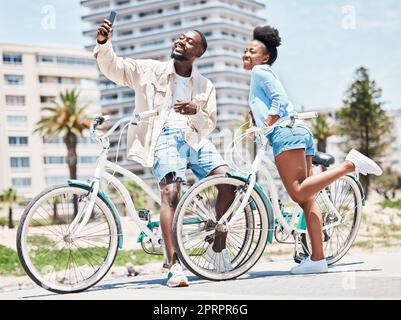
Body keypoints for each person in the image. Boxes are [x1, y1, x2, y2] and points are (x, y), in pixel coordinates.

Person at [94, 19, 233, 287]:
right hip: (164, 137)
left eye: (189, 41)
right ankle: (174, 265)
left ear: (198, 53)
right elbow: (115, 67)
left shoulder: (206, 85)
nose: (181, 41)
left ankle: (217, 250)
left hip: (194, 137)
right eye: (180, 37)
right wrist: (103, 43)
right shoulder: (149, 70)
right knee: (170, 194)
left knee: (228, 182)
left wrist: (196, 111)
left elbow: (209, 124)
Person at [242, 25, 383, 275]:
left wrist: (265, 125)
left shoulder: (259, 72)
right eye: (245, 50)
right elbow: (272, 104)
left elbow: (280, 100)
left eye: (252, 51)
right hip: (298, 131)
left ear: (265, 57)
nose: (246, 54)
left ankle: (349, 165)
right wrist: (255, 123)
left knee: (297, 192)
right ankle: (317, 259)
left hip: (286, 133)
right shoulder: (261, 74)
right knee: (307, 199)